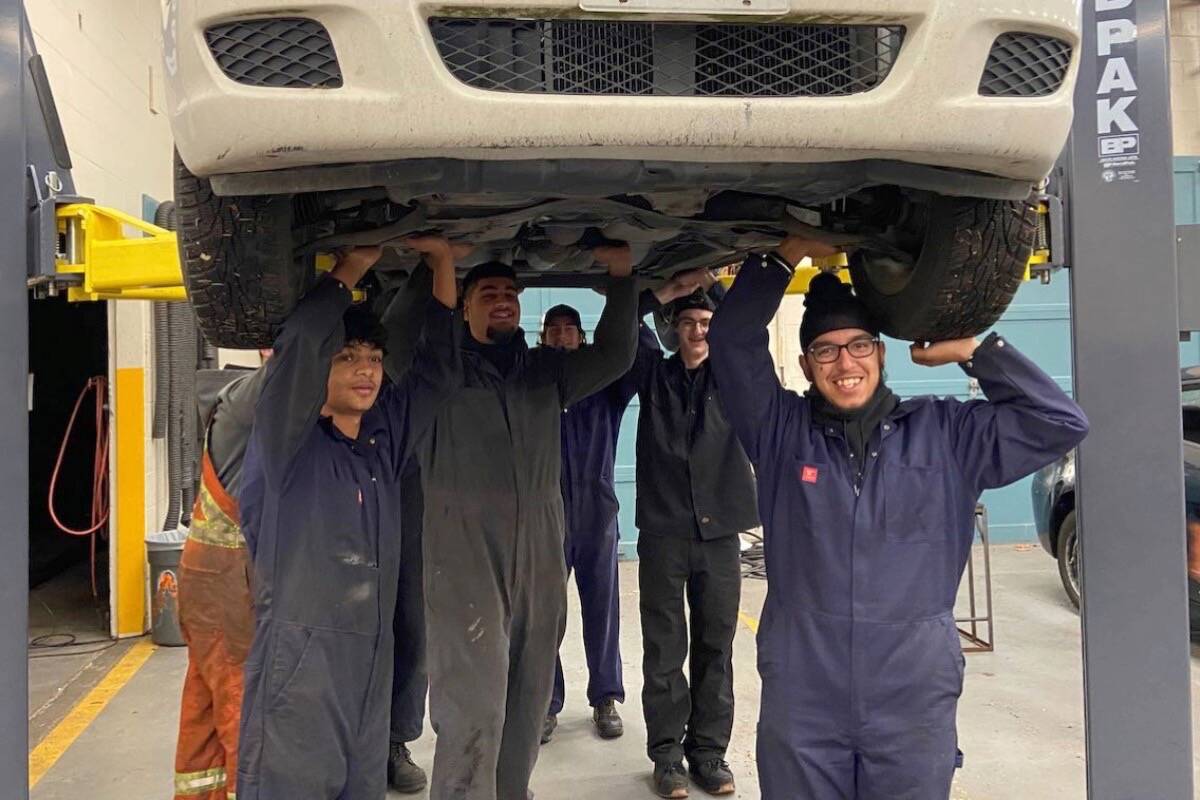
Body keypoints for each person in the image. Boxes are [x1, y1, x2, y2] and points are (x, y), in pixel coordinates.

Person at [706, 237, 1090, 800]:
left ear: (881, 354)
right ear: (809, 366)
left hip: (911, 691)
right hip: (804, 687)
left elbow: (1059, 422)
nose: (845, 363)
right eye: (826, 351)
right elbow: (732, 340)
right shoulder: (781, 433)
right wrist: (782, 258)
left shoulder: (949, 434)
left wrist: (974, 352)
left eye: (859, 345)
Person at [235, 241, 461, 800]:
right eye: (347, 357)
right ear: (319, 370)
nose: (366, 370)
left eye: (374, 360)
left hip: (370, 664)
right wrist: (352, 267)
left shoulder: (382, 445)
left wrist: (443, 263)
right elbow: (300, 344)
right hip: (300, 669)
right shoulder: (286, 445)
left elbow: (439, 373)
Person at [410, 248, 638, 800]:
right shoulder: (439, 370)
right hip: (464, 548)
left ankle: (511, 791)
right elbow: (407, 335)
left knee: (530, 689)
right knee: (473, 698)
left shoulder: (545, 372)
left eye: (510, 294)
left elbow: (613, 355)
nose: (503, 302)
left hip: (539, 542)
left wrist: (623, 278)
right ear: (464, 308)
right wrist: (436, 263)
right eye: (488, 295)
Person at [617, 250, 759, 799]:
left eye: (706, 324)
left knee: (714, 647)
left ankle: (709, 754)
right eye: (689, 323)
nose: (699, 330)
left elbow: (740, 331)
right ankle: (668, 757)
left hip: (720, 534)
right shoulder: (652, 375)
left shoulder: (731, 377)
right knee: (664, 648)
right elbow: (625, 323)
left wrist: (714, 293)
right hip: (663, 533)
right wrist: (678, 289)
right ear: (674, 330)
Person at [538, 303, 637, 744]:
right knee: (544, 615)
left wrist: (632, 304)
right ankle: (544, 702)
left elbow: (636, 354)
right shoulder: (533, 384)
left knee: (603, 610)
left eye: (569, 329)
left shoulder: (606, 386)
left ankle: (605, 699)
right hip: (547, 514)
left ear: (582, 337)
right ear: (543, 339)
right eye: (553, 330)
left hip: (597, 514)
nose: (561, 336)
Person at [173, 352, 269, 800]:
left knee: (207, 705)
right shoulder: (243, 402)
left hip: (213, 580)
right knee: (241, 707)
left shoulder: (234, 401)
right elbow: (295, 364)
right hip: (226, 585)